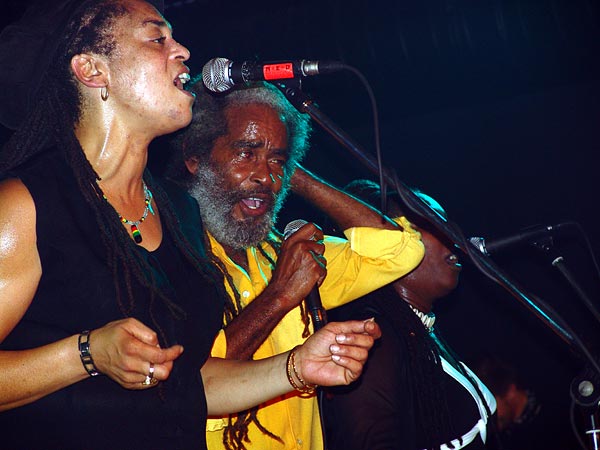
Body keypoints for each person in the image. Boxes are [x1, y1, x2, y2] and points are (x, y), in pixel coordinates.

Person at [0, 1, 381, 449]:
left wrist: (297, 367)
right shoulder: (26, 206)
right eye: (157, 38)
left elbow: (188, 386)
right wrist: (84, 353)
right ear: (92, 70)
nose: (182, 50)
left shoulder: (180, 212)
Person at [166, 80, 426, 450]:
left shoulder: (284, 253)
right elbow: (192, 382)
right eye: (246, 153)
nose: (265, 177)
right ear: (196, 158)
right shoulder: (171, 256)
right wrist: (280, 295)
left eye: (277, 161)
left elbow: (400, 250)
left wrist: (293, 175)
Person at [323, 179, 497, 450]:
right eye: (431, 223)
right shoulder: (373, 340)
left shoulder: (420, 332)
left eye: (446, 222)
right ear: (391, 246)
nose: (453, 235)